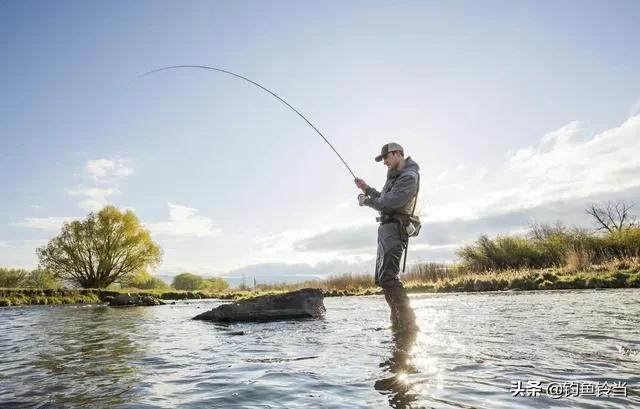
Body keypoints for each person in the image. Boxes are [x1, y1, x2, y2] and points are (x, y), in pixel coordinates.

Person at [355, 142, 419, 334]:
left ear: (398, 154)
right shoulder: (395, 177)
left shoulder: (408, 177)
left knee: (389, 278)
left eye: (386, 158)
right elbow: (383, 196)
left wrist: (366, 201)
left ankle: (408, 325)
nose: (384, 162)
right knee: (384, 278)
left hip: (395, 229)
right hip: (386, 231)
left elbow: (389, 202)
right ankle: (398, 324)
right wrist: (366, 188)